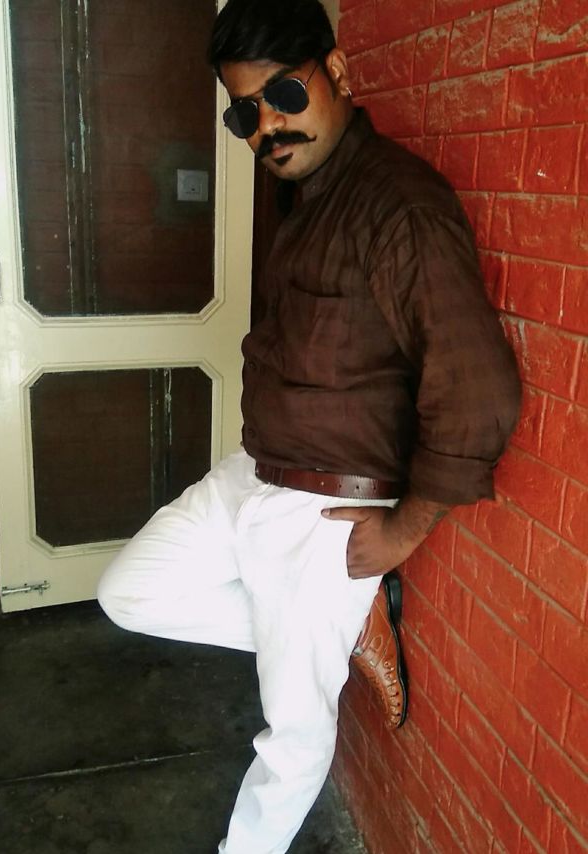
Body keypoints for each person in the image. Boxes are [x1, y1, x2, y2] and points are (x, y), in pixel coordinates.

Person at [98, 1, 522, 851]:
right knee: (130, 592)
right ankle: (337, 631)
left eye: (284, 94)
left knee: (292, 737)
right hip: (256, 473)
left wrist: (404, 532)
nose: (268, 126)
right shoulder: (310, 196)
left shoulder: (400, 208)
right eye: (245, 113)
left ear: (337, 71)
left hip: (324, 514)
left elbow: (480, 394)